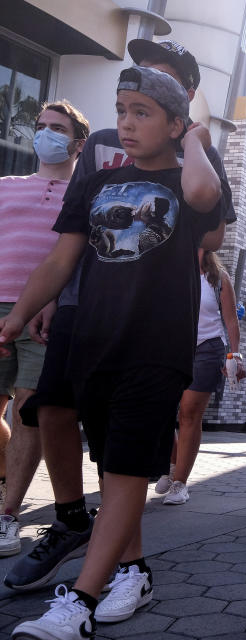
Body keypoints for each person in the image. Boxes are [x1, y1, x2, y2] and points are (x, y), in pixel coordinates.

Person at [4, 38, 235, 593]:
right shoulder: (102, 156)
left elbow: (212, 226)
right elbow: (67, 250)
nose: (133, 106)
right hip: (84, 310)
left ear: (184, 104)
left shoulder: (192, 157)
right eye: (126, 96)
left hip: (150, 329)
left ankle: (120, 571)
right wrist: (32, 308)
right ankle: (71, 520)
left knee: (120, 452)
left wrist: (196, 138)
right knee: (50, 408)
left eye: (156, 83)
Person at [0, 100, 89, 557]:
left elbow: (75, 259)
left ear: (78, 142)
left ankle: (7, 515)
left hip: (43, 315)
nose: (45, 134)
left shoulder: (85, 196)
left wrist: (52, 300)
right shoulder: (5, 186)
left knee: (28, 413)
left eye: (57, 128)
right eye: (40, 127)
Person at [154, 249, 244, 505]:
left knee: (189, 412)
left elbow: (231, 321)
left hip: (207, 348)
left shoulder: (219, 278)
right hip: (170, 348)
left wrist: (235, 356)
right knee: (161, 410)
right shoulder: (169, 272)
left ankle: (180, 484)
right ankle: (171, 466)